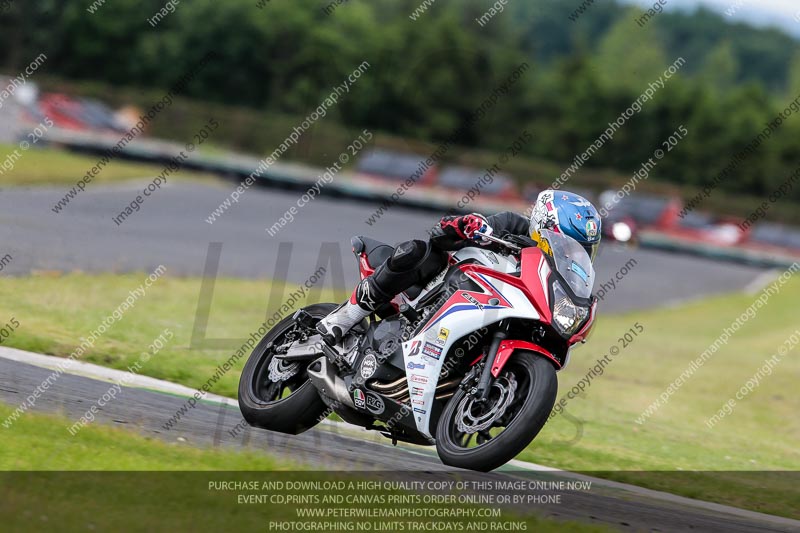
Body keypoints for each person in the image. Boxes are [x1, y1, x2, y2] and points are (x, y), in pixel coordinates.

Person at [316, 190, 601, 351]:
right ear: (545, 225)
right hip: (447, 285)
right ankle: (343, 317)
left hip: (499, 310)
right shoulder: (514, 225)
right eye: (567, 241)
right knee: (420, 251)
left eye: (583, 248)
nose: (572, 251)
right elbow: (443, 233)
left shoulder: (555, 273)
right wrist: (470, 225)